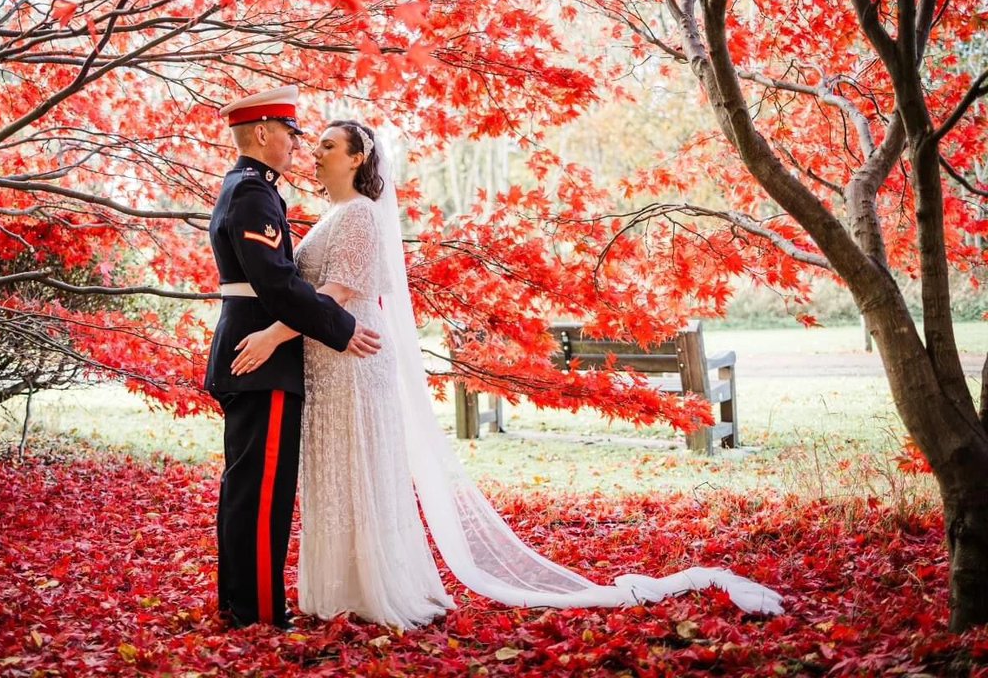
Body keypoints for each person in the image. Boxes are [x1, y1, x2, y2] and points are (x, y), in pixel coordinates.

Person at [232, 120, 785, 628]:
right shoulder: (332, 214)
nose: (315, 151)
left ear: (357, 159)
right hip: (327, 361)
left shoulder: (357, 214)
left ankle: (374, 588)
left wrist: (272, 335)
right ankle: (343, 587)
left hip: (352, 357)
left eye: (329, 145)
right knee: (336, 472)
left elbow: (338, 293)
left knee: (357, 468)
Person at [206, 87, 381, 629]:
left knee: (247, 486)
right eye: (289, 133)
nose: (295, 144)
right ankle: (256, 611)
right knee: (262, 494)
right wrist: (340, 326)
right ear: (262, 133)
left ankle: (240, 602)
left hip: (254, 350)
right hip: (263, 356)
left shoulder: (248, 188)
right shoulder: (254, 193)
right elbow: (277, 283)